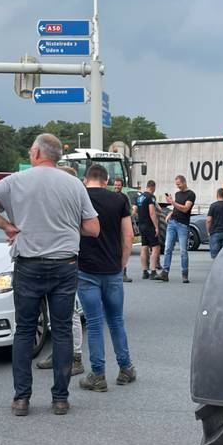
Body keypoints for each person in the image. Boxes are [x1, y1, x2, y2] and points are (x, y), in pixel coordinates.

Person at [0, 134, 98, 417]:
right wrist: (67, 226)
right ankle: (60, 399)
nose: (29, 154)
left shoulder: (16, 181)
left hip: (29, 265)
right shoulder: (74, 184)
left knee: (25, 331)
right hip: (64, 265)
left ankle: (22, 398)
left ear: (37, 153)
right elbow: (93, 228)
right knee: (62, 330)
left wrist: (7, 226)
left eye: (30, 150)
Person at [76, 164, 136, 392]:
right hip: (112, 269)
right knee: (116, 321)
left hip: (87, 270)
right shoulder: (119, 199)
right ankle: (126, 368)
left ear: (85, 179)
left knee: (94, 324)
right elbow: (128, 235)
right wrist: (122, 263)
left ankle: (98, 375)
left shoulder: (79, 198)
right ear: (107, 180)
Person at [36, 165, 86, 377]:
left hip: (69, 262)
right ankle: (58, 352)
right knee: (54, 312)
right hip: (54, 261)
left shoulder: (76, 202)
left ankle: (75, 357)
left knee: (70, 313)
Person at [158, 175, 195, 283]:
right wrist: (170, 214)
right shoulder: (177, 194)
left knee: (183, 251)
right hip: (172, 223)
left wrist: (172, 202)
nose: (177, 186)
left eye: (179, 184)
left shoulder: (191, 194)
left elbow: (185, 209)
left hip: (183, 225)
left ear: (184, 182)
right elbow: (176, 208)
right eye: (176, 184)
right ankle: (165, 273)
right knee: (167, 248)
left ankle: (184, 274)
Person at [136, 180, 162, 280]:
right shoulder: (151, 197)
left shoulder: (140, 197)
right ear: (153, 187)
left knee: (144, 247)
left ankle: (144, 271)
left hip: (141, 225)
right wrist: (156, 227)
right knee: (156, 248)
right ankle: (153, 271)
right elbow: (152, 213)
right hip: (149, 225)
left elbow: (136, 210)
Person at [206, 188, 223, 259]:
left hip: (215, 233)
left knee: (215, 257)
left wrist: (208, 231)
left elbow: (208, 220)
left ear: (217, 195)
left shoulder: (213, 205)